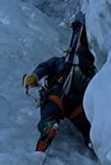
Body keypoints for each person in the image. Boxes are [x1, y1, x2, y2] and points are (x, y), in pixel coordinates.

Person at [23, 11, 96, 151]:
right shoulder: (92, 72)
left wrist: (35, 76)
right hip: (78, 106)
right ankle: (92, 143)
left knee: (49, 113)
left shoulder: (64, 62)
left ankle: (49, 126)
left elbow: (46, 66)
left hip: (58, 96)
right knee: (86, 128)